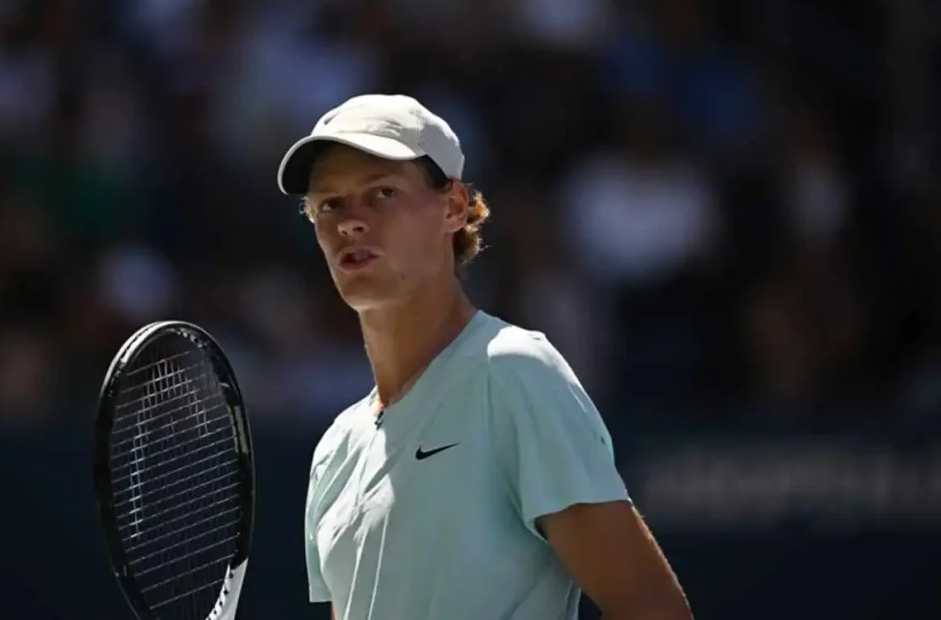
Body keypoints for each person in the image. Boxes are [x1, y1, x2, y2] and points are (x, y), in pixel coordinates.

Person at [277, 94, 692, 620]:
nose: (350, 223)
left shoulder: (515, 373)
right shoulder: (335, 449)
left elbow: (655, 613)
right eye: (328, 205)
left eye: (381, 193)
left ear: (453, 207)